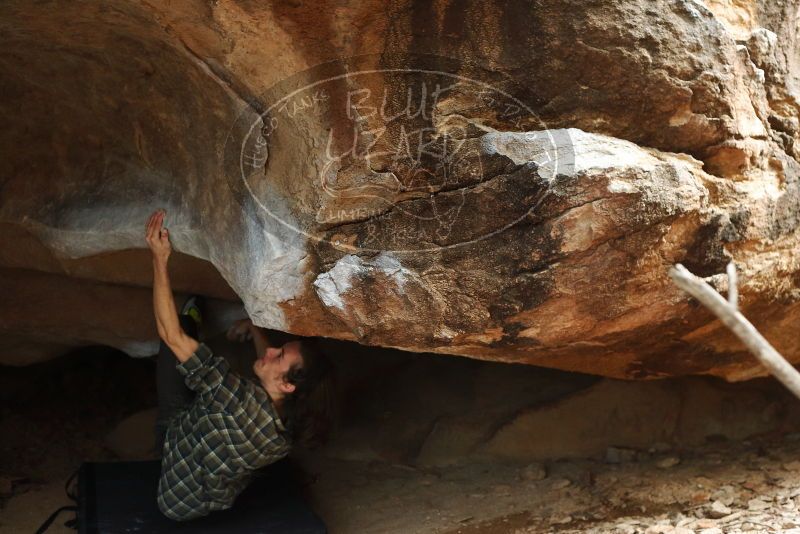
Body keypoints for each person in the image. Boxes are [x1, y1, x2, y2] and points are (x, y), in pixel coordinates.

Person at [144, 209, 335, 521]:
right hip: (212, 495)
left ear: (287, 384)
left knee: (174, 348)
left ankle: (191, 317)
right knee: (206, 387)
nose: (271, 352)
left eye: (280, 355)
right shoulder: (287, 431)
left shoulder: (230, 393)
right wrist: (254, 327)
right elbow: (262, 367)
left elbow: (171, 335)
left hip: (173, 480)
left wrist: (159, 258)